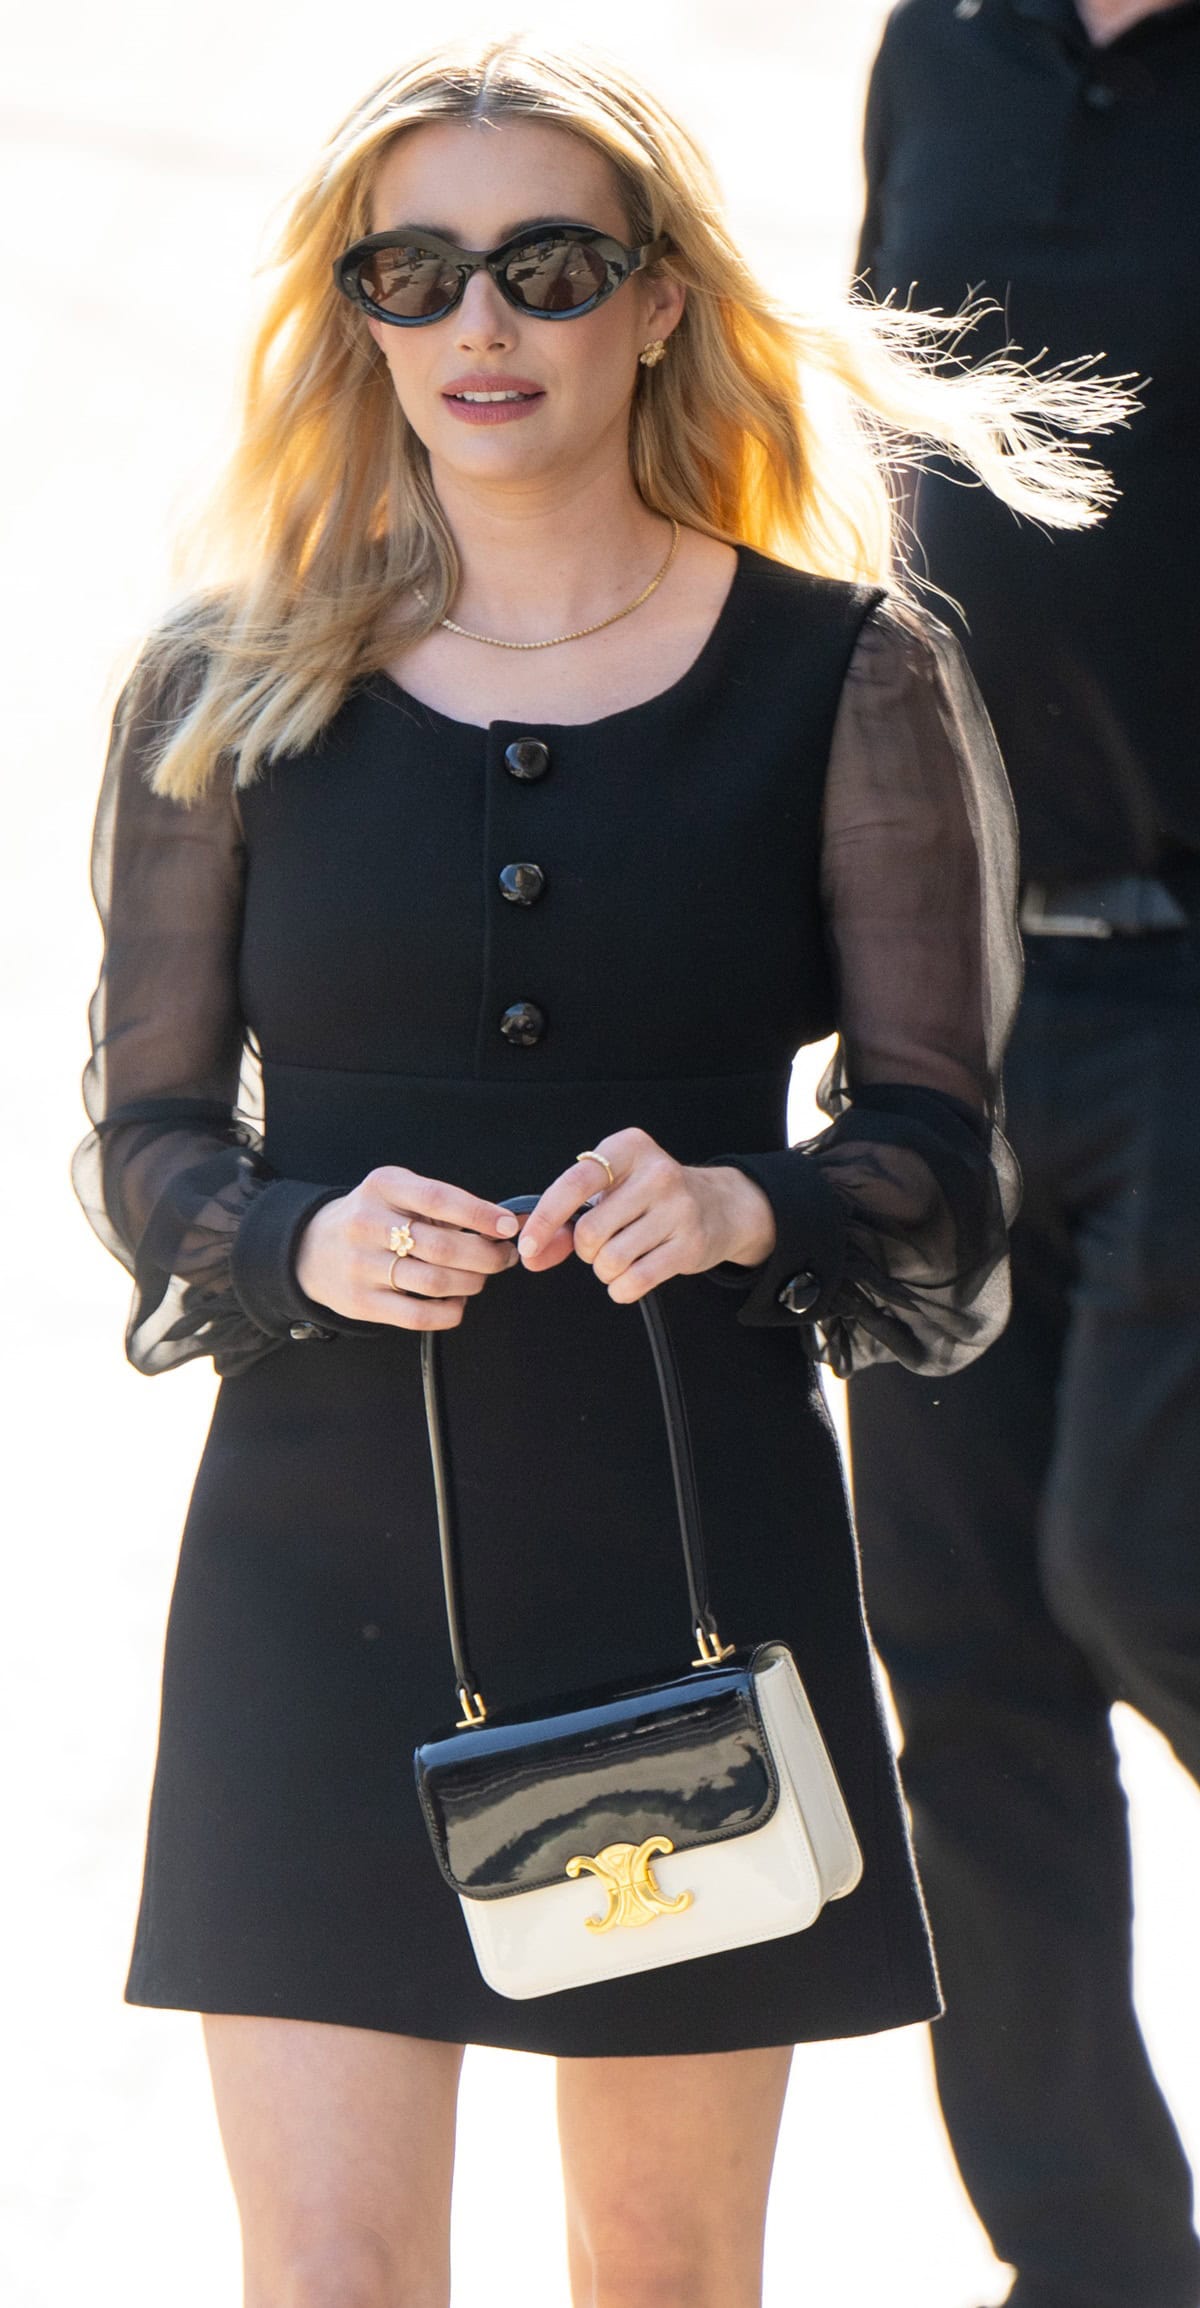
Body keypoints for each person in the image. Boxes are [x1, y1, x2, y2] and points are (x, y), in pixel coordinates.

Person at [73, 36, 1120, 2308]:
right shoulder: (219, 682)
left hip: (687, 1573)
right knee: (330, 2274)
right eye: (415, 269)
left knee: (661, 2270)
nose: (480, 323)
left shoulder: (847, 676)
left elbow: (943, 1149)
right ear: (351, 311)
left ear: (655, 301)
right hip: (308, 1584)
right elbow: (144, 1143)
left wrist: (754, 1201)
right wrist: (293, 1232)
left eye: (544, 265)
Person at [850, 5, 1200, 2306]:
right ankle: (1095, 2271)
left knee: (1141, 1556)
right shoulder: (941, 47)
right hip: (956, 981)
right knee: (963, 1659)